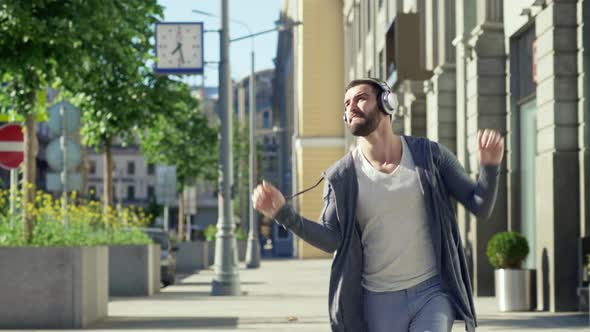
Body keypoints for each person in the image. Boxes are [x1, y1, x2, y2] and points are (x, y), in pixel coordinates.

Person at [251, 78, 503, 332]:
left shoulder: (429, 155)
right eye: (347, 104)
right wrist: (283, 213)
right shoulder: (341, 176)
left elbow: (479, 204)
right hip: (377, 300)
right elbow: (331, 240)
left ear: (387, 102)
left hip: (432, 292)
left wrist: (490, 168)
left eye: (361, 98)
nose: (352, 107)